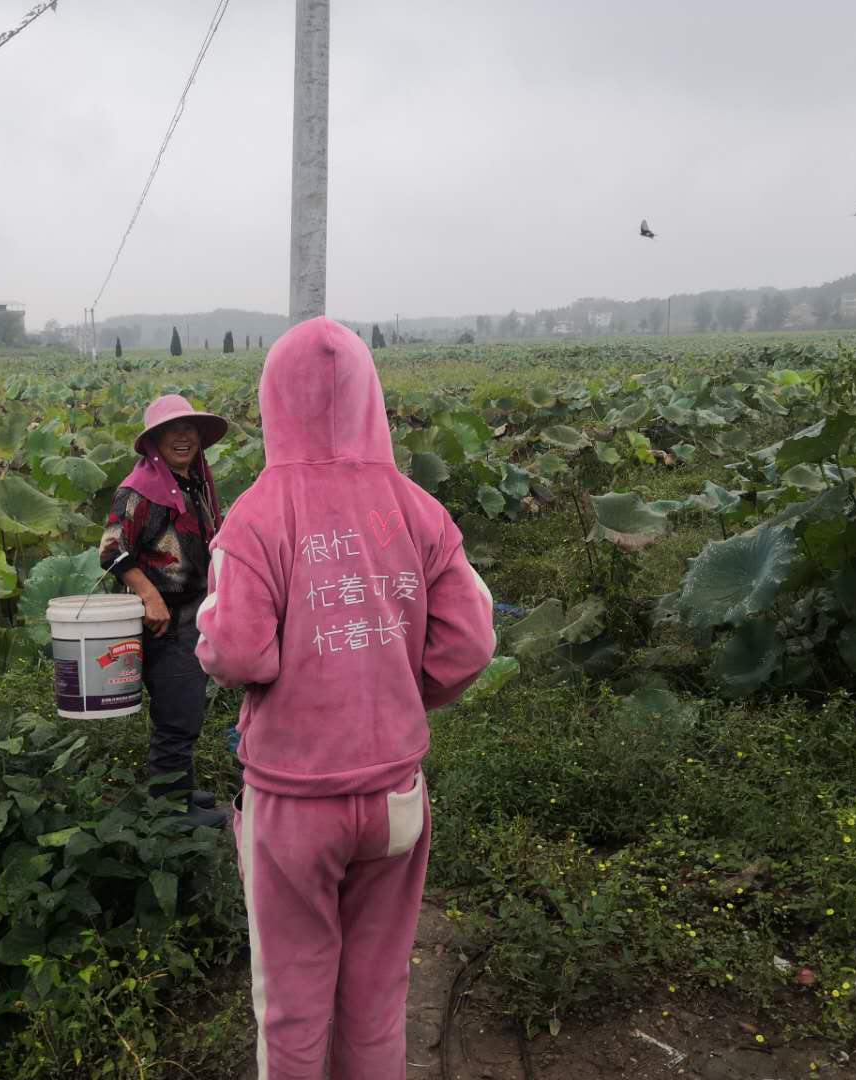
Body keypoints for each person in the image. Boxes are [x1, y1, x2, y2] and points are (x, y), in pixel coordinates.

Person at [195, 317, 496, 1079]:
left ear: (271, 404)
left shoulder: (256, 517)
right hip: (395, 791)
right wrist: (400, 691)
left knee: (293, 1000)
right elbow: (471, 644)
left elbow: (235, 651)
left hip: (294, 800)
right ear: (372, 397)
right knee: (376, 991)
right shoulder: (420, 510)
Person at [100, 394, 230, 829]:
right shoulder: (141, 491)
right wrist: (148, 595)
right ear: (155, 441)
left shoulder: (193, 483)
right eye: (171, 431)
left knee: (187, 704)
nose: (182, 437)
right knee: (178, 711)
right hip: (166, 620)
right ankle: (170, 811)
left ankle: (176, 788)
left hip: (195, 613)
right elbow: (112, 551)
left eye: (189, 429)